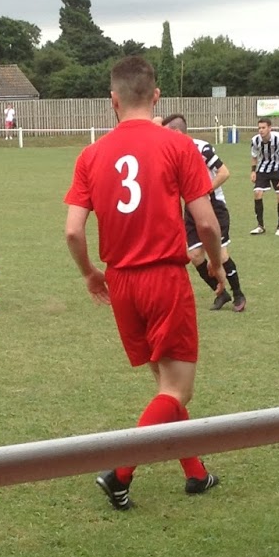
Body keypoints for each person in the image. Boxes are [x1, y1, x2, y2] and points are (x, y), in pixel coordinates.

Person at [64, 56, 224, 512]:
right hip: (164, 278)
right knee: (178, 390)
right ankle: (119, 473)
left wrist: (90, 273)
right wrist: (215, 265)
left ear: (112, 100)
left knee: (165, 385)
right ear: (156, 96)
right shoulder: (178, 146)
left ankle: (196, 473)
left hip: (121, 283)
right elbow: (206, 223)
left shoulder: (91, 154)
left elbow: (73, 231)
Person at [163, 114, 246, 312]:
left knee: (221, 255)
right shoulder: (172, 153)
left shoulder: (202, 148)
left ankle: (238, 294)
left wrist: (203, 190)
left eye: (166, 134)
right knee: (195, 256)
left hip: (214, 206)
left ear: (177, 133)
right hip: (191, 208)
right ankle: (221, 293)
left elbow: (224, 172)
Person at [250, 118, 279, 235]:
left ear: (270, 128)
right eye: (259, 128)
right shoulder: (255, 140)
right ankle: (260, 226)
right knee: (257, 193)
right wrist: (253, 171)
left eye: (263, 128)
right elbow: (254, 156)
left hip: (278, 168)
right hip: (263, 168)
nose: (261, 130)